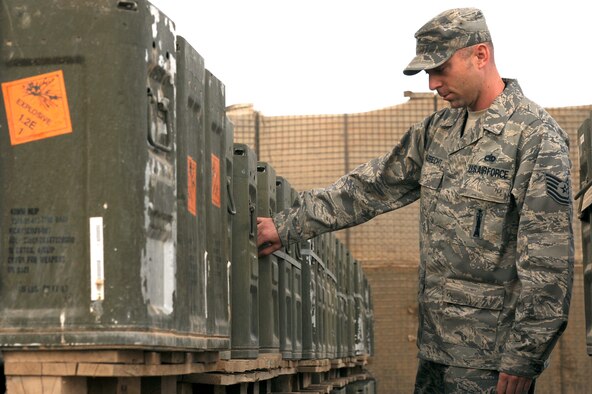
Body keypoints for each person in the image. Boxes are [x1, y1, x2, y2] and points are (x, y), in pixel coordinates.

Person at [257, 7, 574, 394]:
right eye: (427, 73)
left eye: (440, 69)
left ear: (480, 55)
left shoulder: (535, 136)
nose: (432, 84)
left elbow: (548, 263)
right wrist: (287, 225)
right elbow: (370, 187)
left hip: (492, 362)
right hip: (435, 351)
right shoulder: (437, 131)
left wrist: (525, 355)